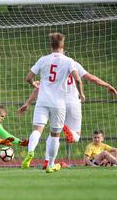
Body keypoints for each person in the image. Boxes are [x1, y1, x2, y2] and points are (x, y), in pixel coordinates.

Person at [18, 62, 117, 169]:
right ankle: (69, 133)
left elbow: (40, 87)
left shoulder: (52, 67)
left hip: (57, 103)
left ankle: (47, 161)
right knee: (76, 137)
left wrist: (28, 102)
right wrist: (107, 85)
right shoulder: (72, 64)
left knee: (54, 134)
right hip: (73, 103)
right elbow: (92, 78)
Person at [21, 33, 85, 173]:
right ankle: (50, 165)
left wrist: (34, 85)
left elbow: (29, 77)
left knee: (37, 130)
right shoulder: (69, 61)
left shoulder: (43, 60)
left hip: (42, 101)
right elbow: (78, 80)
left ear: (51, 45)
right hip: (58, 103)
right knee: (55, 135)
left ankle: (30, 151)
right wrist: (81, 93)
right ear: (63, 45)